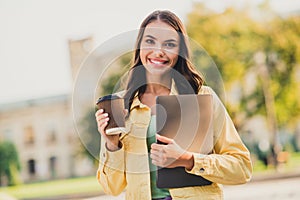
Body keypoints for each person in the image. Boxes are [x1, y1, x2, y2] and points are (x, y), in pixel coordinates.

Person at [95, 10, 252, 200]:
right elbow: (111, 188)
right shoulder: (121, 106)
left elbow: (242, 168)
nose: (159, 51)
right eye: (150, 41)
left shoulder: (201, 97)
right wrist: (112, 144)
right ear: (139, 47)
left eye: (169, 44)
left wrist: (188, 160)